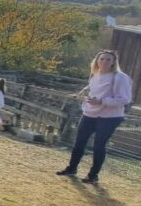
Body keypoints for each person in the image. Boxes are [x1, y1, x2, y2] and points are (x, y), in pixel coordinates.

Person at [57, 49, 133, 184]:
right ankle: (71, 168)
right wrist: (85, 96)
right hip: (89, 113)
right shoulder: (94, 75)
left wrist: (102, 101)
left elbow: (125, 99)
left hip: (109, 117)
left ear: (113, 62)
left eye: (108, 59)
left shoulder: (120, 77)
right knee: (79, 142)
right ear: (97, 60)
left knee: (99, 146)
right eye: (102, 59)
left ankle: (93, 175)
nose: (104, 62)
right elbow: (92, 90)